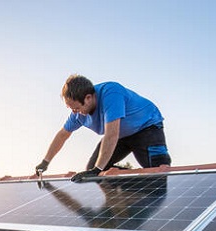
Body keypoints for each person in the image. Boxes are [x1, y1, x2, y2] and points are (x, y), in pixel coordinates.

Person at [35, 75, 171, 182]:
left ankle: (149, 182)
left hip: (146, 127)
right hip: (121, 136)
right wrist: (45, 162)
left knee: (158, 172)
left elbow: (111, 134)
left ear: (88, 98)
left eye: (76, 108)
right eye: (71, 109)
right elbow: (63, 135)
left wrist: (97, 169)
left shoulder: (111, 93)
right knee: (93, 170)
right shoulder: (77, 114)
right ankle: (134, 189)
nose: (74, 112)